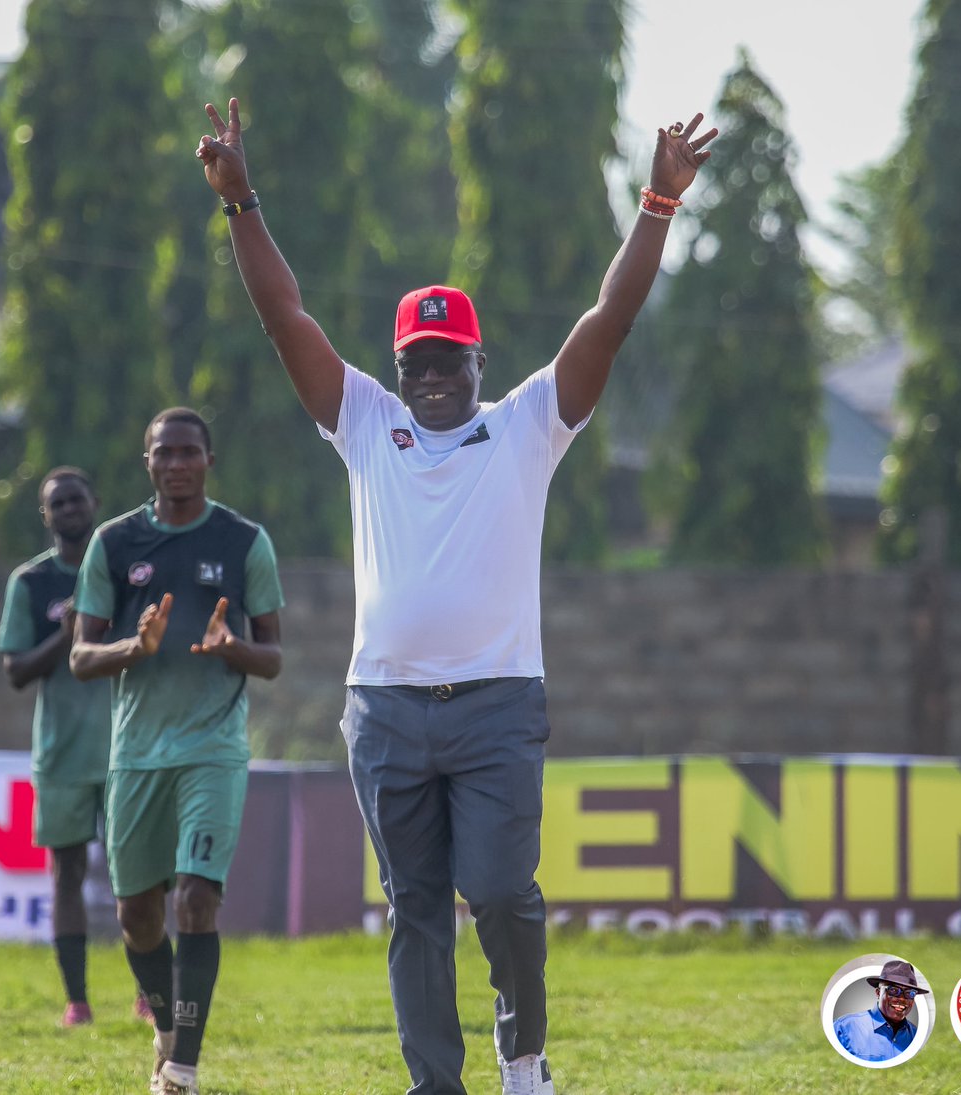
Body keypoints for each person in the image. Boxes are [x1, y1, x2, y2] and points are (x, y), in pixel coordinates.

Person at [196, 97, 716, 1095]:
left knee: (501, 892)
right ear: (399, 368)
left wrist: (657, 201)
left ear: (481, 361)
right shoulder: (363, 423)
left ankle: (525, 1060)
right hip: (384, 713)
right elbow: (285, 316)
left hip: (496, 707)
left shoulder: (528, 426)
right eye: (419, 362)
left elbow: (609, 319)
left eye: (452, 359)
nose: (434, 375)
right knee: (416, 910)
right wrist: (241, 203)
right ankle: (435, 1084)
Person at [69, 407, 284, 1095]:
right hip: (135, 754)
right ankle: (166, 1029)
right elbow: (78, 655)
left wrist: (234, 647)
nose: (178, 463)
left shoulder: (245, 541)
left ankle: (182, 1069)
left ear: (209, 461)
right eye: (165, 452)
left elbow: (274, 656)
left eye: (190, 451)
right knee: (138, 914)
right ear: (149, 463)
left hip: (213, 748)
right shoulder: (113, 543)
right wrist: (137, 646)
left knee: (195, 897)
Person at [0, 466, 149, 1026]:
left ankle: (146, 994)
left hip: (127, 747)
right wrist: (66, 638)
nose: (68, 510)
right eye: (56, 504)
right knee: (66, 875)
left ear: (95, 502)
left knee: (138, 876)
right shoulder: (31, 584)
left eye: (76, 499)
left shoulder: (126, 572)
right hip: (62, 753)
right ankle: (78, 1001)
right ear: (45, 515)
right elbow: (15, 671)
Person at [833, 958, 923, 1062]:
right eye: (893, 990)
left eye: (910, 993)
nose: (902, 999)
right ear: (878, 993)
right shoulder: (845, 1027)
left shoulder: (916, 1035)